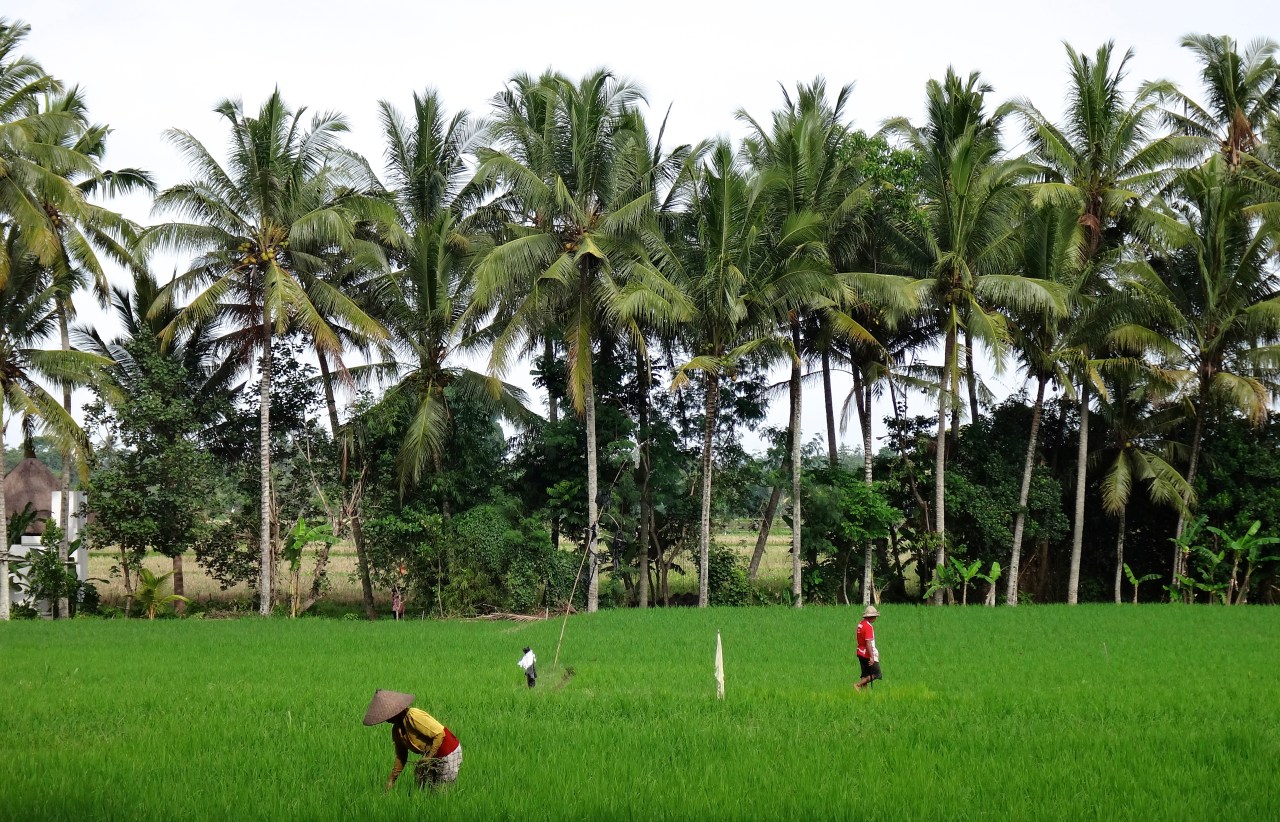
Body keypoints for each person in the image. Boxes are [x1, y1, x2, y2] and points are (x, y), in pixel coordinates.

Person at [363, 689, 462, 790]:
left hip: (448, 751)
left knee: (443, 789)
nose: (387, 720)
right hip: (430, 755)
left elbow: (440, 734)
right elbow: (401, 756)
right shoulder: (397, 731)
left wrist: (428, 758)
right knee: (424, 788)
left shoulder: (413, 715)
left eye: (388, 716)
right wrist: (392, 779)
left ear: (397, 711)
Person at [854, 605, 882, 691]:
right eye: (875, 616)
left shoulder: (861, 624)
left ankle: (864, 694)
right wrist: (872, 657)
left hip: (860, 651)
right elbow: (868, 642)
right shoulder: (868, 627)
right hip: (866, 653)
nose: (875, 618)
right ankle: (858, 685)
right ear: (871, 617)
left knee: (865, 674)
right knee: (877, 674)